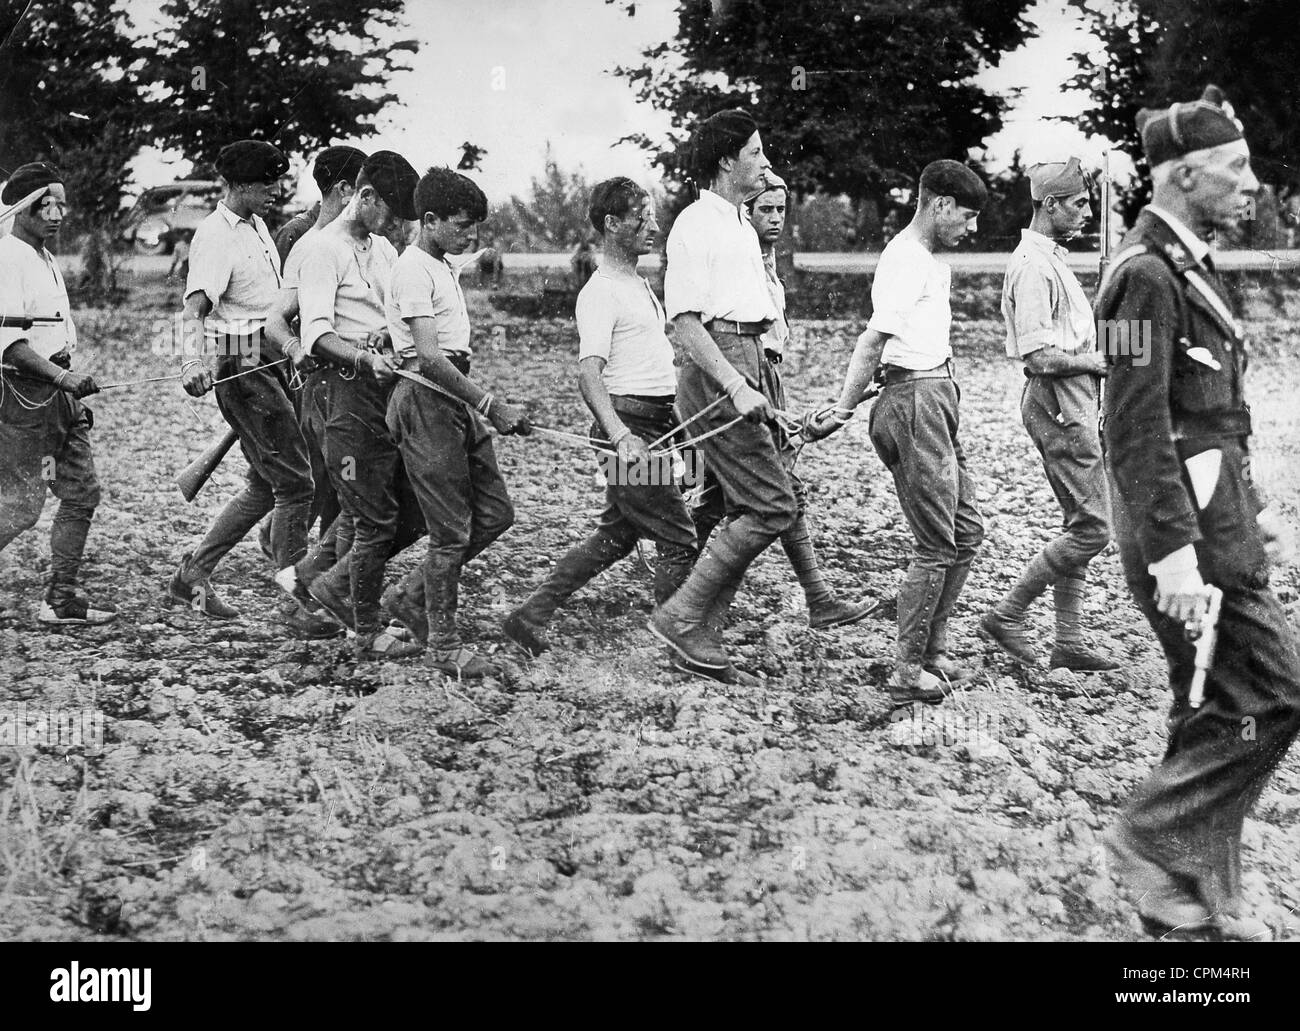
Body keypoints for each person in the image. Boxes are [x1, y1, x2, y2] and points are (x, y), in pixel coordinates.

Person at [1097, 85, 1300, 940]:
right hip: (1181, 542)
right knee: (1279, 691)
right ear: (1181, 177)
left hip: (1216, 529)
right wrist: (1175, 556)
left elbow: (1213, 417)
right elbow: (1133, 425)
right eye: (1233, 168)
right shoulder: (1139, 275)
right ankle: (1148, 834)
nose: (1251, 183)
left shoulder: (1188, 264)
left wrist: (1248, 515)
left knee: (1213, 702)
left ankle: (1189, 901)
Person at [805, 160, 987, 706]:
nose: (971, 229)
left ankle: (933, 651)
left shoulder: (930, 263)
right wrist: (840, 408)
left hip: (934, 397)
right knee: (938, 543)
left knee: (968, 530)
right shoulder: (905, 260)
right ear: (941, 205)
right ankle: (907, 669)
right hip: (914, 406)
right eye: (968, 217)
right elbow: (872, 343)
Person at [503, 177, 697, 660]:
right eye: (640, 217)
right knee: (678, 538)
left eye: (652, 216)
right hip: (629, 430)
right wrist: (622, 437)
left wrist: (678, 431)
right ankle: (677, 640)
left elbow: (654, 368)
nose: (653, 226)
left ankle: (531, 614)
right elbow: (589, 374)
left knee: (618, 532)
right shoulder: (600, 291)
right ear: (611, 224)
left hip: (654, 424)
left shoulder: (639, 283)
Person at [691, 171, 877, 631]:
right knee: (771, 494)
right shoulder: (734, 258)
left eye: (780, 210)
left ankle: (685, 593)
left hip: (766, 375)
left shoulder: (767, 262)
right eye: (764, 210)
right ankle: (685, 598)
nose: (774, 219)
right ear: (744, 213)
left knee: (734, 498)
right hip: (739, 378)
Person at [165, 139, 336, 638]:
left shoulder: (259, 226)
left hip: (272, 359)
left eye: (279, 182)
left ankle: (193, 574)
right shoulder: (214, 236)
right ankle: (302, 599)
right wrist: (193, 360)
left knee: (267, 484)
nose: (275, 191)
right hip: (242, 366)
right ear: (239, 184)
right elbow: (195, 308)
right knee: (297, 483)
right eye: (267, 183)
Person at [649, 108, 794, 681]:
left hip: (748, 357)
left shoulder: (738, 222)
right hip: (716, 370)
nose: (764, 161)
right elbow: (685, 324)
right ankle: (682, 616)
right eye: (755, 152)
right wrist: (734, 385)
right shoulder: (694, 225)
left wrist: (760, 381)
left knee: (739, 506)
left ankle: (700, 638)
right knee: (771, 506)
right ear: (726, 161)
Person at [384, 166, 529, 677]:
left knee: (495, 513)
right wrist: (491, 405)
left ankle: (409, 596)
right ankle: (443, 645)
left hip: (452, 400)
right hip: (426, 399)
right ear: (429, 220)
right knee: (450, 532)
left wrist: (477, 406)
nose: (474, 237)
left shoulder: (440, 262)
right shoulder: (412, 269)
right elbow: (429, 357)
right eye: (464, 226)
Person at [281, 150, 425, 660]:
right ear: (364, 196)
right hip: (341, 390)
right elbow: (317, 333)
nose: (394, 226)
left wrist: (391, 338)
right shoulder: (323, 249)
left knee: (385, 502)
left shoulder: (382, 249)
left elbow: (390, 313)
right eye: (389, 213)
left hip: (382, 386)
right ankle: (363, 629)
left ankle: (310, 582)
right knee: (372, 516)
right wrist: (363, 358)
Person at [981, 157, 1118, 672]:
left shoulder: (1052, 257)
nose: (1087, 211)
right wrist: (1094, 363)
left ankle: (1069, 640)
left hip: (1070, 396)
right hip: (1059, 400)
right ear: (1051, 204)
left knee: (1079, 522)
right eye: (1079, 203)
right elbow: (1040, 357)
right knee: (1093, 529)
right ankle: (1008, 613)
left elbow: (1076, 336)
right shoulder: (1035, 265)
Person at [0, 162, 116, 625]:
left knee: (83, 493)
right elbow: (9, 344)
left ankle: (61, 598)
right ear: (23, 209)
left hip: (60, 399)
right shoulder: (8, 258)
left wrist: (68, 383)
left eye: (62, 205)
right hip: (24, 398)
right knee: (22, 507)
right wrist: (62, 379)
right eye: (46, 205)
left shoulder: (43, 257)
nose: (57, 214)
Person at [263, 145, 368, 573]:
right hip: (311, 377)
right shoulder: (300, 238)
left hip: (349, 379)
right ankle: (300, 575)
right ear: (345, 189)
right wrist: (296, 353)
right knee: (312, 480)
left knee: (331, 482)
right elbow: (281, 314)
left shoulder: (366, 241)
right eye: (365, 187)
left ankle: (315, 571)